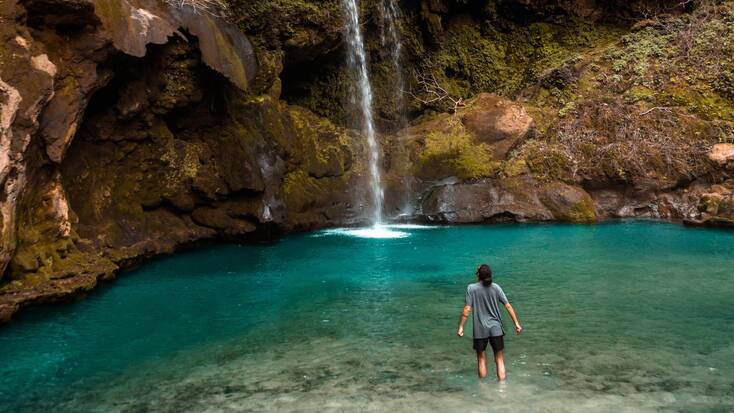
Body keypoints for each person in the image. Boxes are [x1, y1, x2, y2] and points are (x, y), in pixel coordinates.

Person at [457, 264, 522, 381]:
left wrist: (461, 326)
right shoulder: (496, 287)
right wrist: (516, 323)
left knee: (481, 358)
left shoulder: (471, 288)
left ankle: (483, 389)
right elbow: (508, 306)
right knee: (499, 358)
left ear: (479, 276)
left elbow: (467, 309)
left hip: (480, 330)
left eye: (476, 273)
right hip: (496, 328)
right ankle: (502, 387)